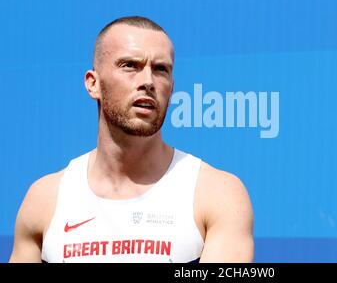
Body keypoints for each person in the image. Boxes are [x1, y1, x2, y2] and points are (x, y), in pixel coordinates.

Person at [9, 16, 254, 263]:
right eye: (130, 65)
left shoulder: (216, 194)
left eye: (161, 69)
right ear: (93, 84)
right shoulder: (45, 199)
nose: (148, 82)